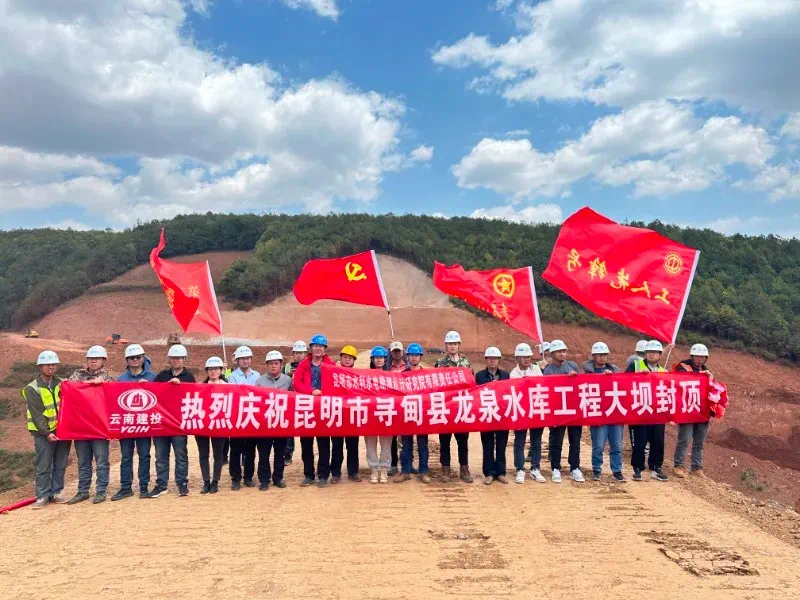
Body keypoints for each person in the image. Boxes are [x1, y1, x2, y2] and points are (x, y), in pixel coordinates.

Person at [67, 345, 115, 505]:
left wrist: (103, 384)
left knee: (102, 461)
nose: (93, 361)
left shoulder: (108, 379)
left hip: (99, 427)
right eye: (90, 358)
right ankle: (83, 491)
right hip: (80, 426)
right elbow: (67, 388)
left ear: (103, 361)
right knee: (83, 462)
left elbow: (113, 396)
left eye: (97, 358)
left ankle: (101, 491)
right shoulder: (77, 375)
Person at [25, 351, 71, 509]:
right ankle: (43, 495)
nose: (50, 367)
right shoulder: (32, 388)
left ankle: (56, 492)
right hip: (43, 434)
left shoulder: (61, 383)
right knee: (44, 465)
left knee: (60, 463)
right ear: (40, 367)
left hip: (62, 431)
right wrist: (47, 433)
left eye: (53, 364)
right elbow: (37, 415)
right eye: (47, 364)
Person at [111, 344, 157, 501]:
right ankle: (125, 488)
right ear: (127, 360)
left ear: (143, 358)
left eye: (138, 357)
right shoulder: (121, 379)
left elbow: (160, 399)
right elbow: (116, 401)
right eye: (132, 358)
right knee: (126, 457)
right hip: (127, 424)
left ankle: (144, 486)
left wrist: (149, 387)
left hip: (144, 424)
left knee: (144, 456)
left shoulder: (152, 377)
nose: (135, 360)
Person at [149, 344, 195, 498]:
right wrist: (143, 384)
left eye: (179, 358)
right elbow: (152, 391)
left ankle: (182, 483)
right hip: (161, 423)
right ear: (169, 359)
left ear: (184, 359)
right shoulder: (162, 375)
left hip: (179, 423)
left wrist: (181, 386)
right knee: (161, 456)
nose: (176, 360)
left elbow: (193, 396)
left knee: (181, 455)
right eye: (173, 358)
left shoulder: (189, 377)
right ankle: (161, 485)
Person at [294, 334, 335, 488]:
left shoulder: (331, 364)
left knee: (324, 443)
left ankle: (323, 475)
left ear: (325, 349)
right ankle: (308, 474)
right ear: (311, 348)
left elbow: (335, 383)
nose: (318, 348)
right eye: (315, 346)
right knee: (306, 443)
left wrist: (324, 392)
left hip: (324, 408)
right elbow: (297, 383)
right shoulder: (303, 364)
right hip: (306, 407)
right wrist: (311, 391)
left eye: (321, 346)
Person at [626, 340, 669, 482]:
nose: (652, 354)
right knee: (639, 441)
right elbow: (624, 382)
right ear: (645, 353)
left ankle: (656, 467)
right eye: (649, 352)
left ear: (660, 355)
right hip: (640, 410)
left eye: (655, 352)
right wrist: (638, 376)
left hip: (657, 412)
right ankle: (637, 468)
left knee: (658, 441)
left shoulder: (663, 371)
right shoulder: (635, 365)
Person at [434, 330, 474, 483]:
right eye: (450, 344)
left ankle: (464, 468)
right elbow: (435, 384)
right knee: (444, 441)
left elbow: (472, 383)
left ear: (459, 345)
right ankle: (445, 469)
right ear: (446, 345)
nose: (452, 346)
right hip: (445, 407)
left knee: (462, 441)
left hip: (461, 407)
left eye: (455, 343)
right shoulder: (440, 363)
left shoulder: (466, 363)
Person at [542, 339, 584, 483]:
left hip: (573, 409)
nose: (562, 354)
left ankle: (575, 468)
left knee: (575, 441)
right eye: (559, 351)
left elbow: (580, 384)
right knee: (556, 441)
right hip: (557, 410)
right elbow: (547, 388)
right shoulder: (549, 370)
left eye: (564, 351)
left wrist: (574, 377)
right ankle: (555, 468)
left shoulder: (572, 365)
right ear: (552, 354)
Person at [583, 342, 625, 482]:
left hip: (615, 412)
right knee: (598, 445)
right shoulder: (587, 372)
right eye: (600, 355)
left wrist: (613, 377)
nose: (602, 357)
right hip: (598, 413)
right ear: (593, 356)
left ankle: (617, 470)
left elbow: (624, 386)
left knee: (616, 445)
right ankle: (596, 469)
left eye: (605, 355)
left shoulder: (615, 370)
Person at [673, 343, 714, 478]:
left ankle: (696, 467)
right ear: (692, 356)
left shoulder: (707, 372)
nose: (700, 360)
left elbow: (712, 392)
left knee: (699, 441)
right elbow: (681, 380)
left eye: (703, 357)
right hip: (687, 410)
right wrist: (700, 375)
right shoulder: (683, 367)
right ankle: (679, 465)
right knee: (684, 439)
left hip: (702, 412)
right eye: (697, 356)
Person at [254, 351, 292, 490]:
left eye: (276, 363)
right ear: (267, 365)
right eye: (270, 363)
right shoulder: (259, 381)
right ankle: (264, 480)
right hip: (265, 423)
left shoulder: (288, 380)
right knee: (263, 453)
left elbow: (293, 399)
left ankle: (278, 478)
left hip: (281, 423)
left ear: (281, 365)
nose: (273, 366)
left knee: (280, 453)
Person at [509, 343, 546, 485]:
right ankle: (520, 469)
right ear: (517, 358)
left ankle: (535, 468)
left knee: (536, 441)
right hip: (521, 411)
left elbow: (541, 385)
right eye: (524, 357)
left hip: (536, 409)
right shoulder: (514, 373)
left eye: (529, 356)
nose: (527, 359)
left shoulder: (536, 370)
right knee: (520, 441)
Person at [476, 347, 510, 485]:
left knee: (501, 444)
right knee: (487, 444)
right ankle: (489, 472)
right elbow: (476, 394)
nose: (493, 361)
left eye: (495, 358)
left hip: (502, 415)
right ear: (486, 360)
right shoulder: (479, 376)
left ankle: (501, 472)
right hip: (486, 414)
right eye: (490, 358)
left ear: (499, 360)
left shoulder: (506, 376)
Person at [396, 343, 430, 483]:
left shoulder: (427, 375)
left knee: (423, 444)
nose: (414, 358)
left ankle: (423, 471)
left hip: (422, 414)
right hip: (407, 413)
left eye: (416, 355)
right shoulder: (402, 375)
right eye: (411, 355)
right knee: (406, 444)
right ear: (408, 357)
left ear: (420, 357)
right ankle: (405, 471)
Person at [227, 345, 260, 490]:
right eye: (242, 359)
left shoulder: (257, 376)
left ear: (251, 359)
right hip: (237, 418)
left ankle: (248, 477)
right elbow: (234, 395)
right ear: (238, 360)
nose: (245, 361)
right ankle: (235, 478)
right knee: (235, 450)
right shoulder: (232, 377)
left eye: (247, 358)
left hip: (252, 417)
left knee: (250, 450)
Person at [195, 357, 228, 495]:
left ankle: (215, 481)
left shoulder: (228, 387)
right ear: (207, 371)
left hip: (219, 424)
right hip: (202, 425)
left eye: (216, 368)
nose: (213, 371)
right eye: (210, 369)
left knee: (218, 454)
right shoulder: (200, 387)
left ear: (221, 370)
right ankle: (206, 481)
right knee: (203, 454)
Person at [366, 346, 393, 483]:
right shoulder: (365, 376)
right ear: (372, 359)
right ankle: (373, 469)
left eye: (381, 358)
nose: (379, 360)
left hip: (386, 413)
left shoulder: (391, 377)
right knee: (370, 444)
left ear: (385, 360)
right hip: (370, 415)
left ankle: (384, 469)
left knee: (386, 444)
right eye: (376, 358)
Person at [335, 345, 361, 482]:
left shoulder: (358, 375)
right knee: (337, 446)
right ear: (341, 358)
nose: (347, 360)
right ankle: (335, 473)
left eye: (350, 358)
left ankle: (353, 472)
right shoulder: (333, 373)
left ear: (354, 360)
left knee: (353, 446)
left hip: (352, 415)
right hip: (337, 414)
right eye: (345, 357)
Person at [283, 340, 308, 466]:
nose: (298, 355)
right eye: (296, 353)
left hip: (305, 401)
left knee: (306, 431)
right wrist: (289, 374)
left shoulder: (309, 365)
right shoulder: (287, 366)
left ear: (305, 353)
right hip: (290, 401)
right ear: (293, 353)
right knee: (289, 430)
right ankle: (288, 454)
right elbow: (282, 380)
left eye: (301, 353)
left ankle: (307, 457)